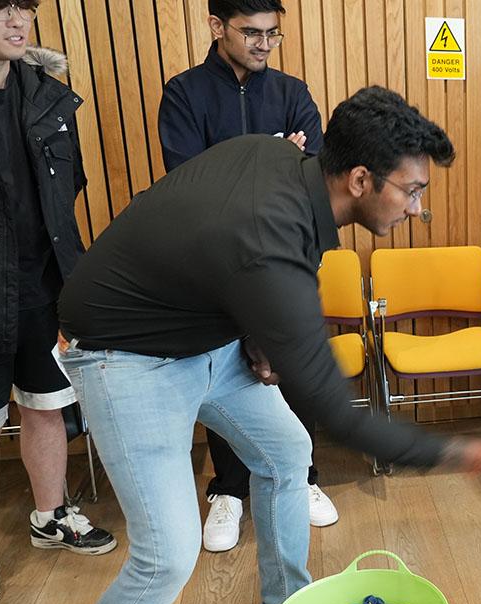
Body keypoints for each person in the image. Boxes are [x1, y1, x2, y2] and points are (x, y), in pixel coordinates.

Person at [54, 85, 481, 604]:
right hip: (123, 357)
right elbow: (336, 412)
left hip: (204, 339)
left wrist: (261, 335)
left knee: (286, 452)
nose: (419, 208)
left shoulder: (281, 162)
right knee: (167, 556)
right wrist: (479, 456)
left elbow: (235, 262)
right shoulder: (269, 235)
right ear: (362, 178)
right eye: (413, 190)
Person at [0, 0, 116, 604]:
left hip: (44, 288)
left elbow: (68, 188)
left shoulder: (48, 97)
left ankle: (50, 515)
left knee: (48, 406)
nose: (18, 18)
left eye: (25, 5)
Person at [159, 0, 333, 551]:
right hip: (214, 264)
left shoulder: (291, 93)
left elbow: (314, 179)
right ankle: (229, 490)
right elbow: (187, 178)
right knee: (224, 372)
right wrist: (267, 158)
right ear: (217, 27)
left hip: (285, 260)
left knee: (290, 365)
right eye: (252, 33)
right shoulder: (185, 93)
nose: (263, 44)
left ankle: (302, 476)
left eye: (273, 34)